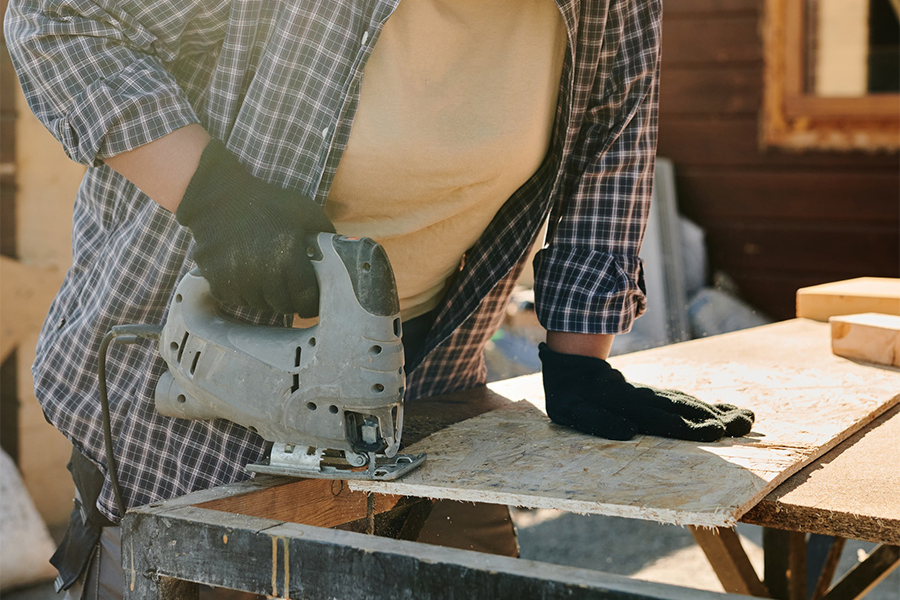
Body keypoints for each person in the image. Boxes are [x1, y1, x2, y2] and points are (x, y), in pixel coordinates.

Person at [5, 0, 753, 597]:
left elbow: (609, 144)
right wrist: (215, 199)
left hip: (428, 389)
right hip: (196, 404)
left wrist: (581, 359)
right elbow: (58, 20)